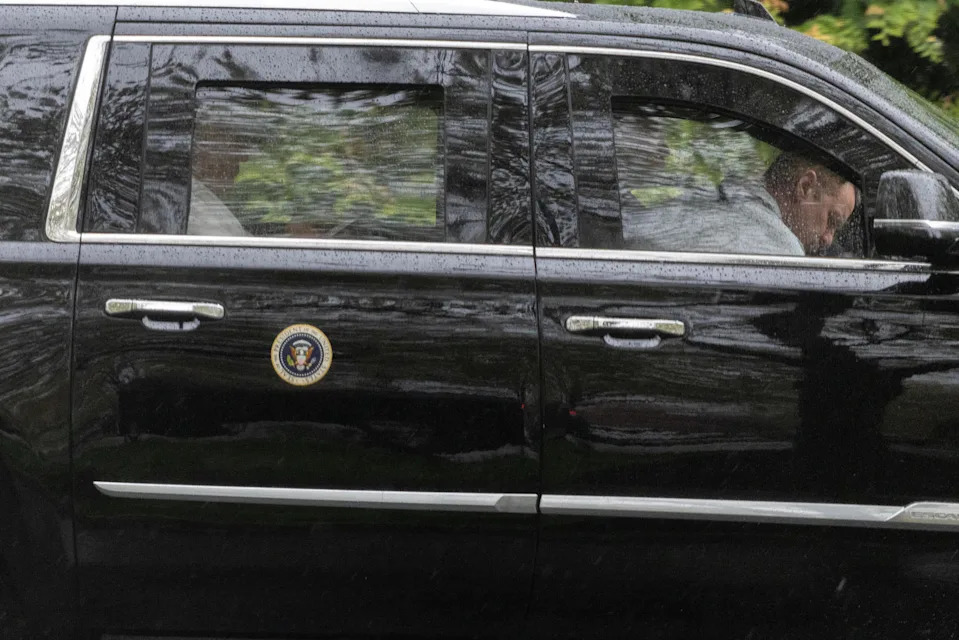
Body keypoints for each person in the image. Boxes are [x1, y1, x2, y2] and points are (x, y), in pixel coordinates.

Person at [624, 152, 858, 256]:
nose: (828, 238)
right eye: (832, 220)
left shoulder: (715, 199)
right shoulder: (779, 250)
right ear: (806, 187)